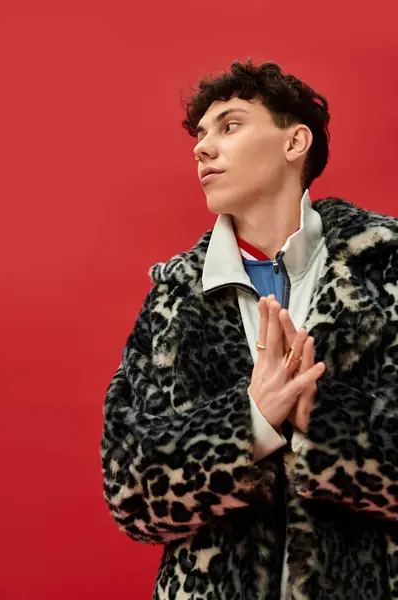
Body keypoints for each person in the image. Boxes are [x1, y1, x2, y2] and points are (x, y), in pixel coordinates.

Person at [100, 59, 398, 600]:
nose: (202, 147)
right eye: (200, 134)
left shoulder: (387, 268)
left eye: (230, 125)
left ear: (295, 142)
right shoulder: (173, 297)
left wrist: (320, 415)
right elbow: (128, 491)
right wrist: (251, 422)